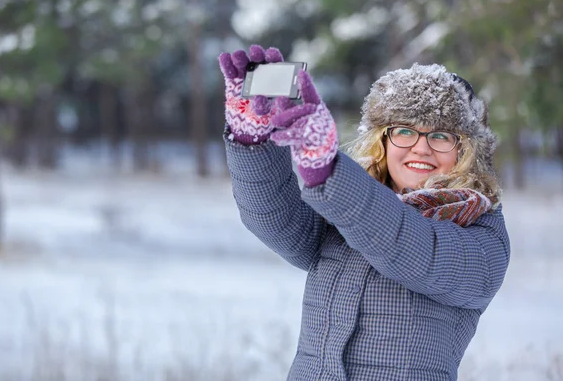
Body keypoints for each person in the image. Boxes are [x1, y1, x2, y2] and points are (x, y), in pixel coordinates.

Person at [218, 45, 510, 381]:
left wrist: (329, 171)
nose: (421, 147)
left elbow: (414, 248)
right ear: (381, 142)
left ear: (466, 151)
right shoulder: (342, 216)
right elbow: (274, 221)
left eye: (441, 136)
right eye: (404, 131)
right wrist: (253, 140)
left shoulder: (482, 233)